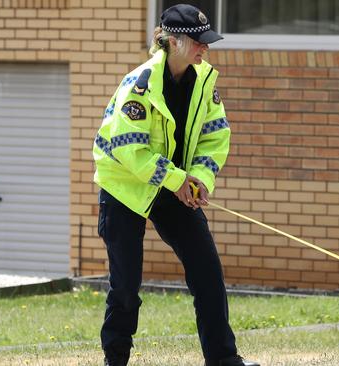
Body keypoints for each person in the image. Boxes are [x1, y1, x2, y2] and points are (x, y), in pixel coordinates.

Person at [92, 4, 259, 366]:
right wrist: (177, 178)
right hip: (125, 189)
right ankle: (115, 360)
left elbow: (216, 137)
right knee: (126, 286)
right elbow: (128, 148)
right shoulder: (138, 85)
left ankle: (223, 359)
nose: (205, 49)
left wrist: (200, 177)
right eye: (199, 43)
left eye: (207, 43)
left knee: (207, 272)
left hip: (174, 185)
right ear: (175, 41)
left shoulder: (203, 82)